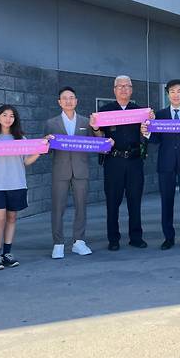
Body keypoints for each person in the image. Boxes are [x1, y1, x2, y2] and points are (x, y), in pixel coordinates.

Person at [0, 105, 43, 270]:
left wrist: (39, 152)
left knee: (12, 218)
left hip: (17, 183)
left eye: (11, 116)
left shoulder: (21, 138)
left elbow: (25, 162)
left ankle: (7, 253)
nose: (8, 118)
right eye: (4, 115)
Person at [141, 79, 180, 251]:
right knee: (166, 201)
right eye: (172, 91)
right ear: (167, 94)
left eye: (179, 91)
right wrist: (147, 133)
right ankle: (168, 238)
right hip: (166, 164)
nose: (176, 94)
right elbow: (155, 140)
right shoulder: (160, 115)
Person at [92, 75, 148, 251]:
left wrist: (149, 122)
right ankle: (113, 238)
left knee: (135, 201)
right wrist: (95, 128)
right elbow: (99, 137)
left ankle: (136, 237)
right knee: (112, 202)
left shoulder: (139, 111)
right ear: (114, 90)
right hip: (113, 161)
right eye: (120, 86)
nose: (124, 89)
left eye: (127, 86)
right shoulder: (105, 111)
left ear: (132, 89)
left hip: (134, 161)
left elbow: (147, 134)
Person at [45, 86, 101, 259]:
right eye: (65, 98)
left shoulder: (86, 122)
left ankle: (79, 241)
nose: (68, 101)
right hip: (60, 170)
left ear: (76, 101)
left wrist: (97, 128)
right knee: (58, 208)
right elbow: (46, 150)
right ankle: (58, 243)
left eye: (71, 98)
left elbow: (97, 142)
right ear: (59, 102)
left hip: (81, 169)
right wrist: (45, 142)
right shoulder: (51, 123)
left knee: (81, 206)